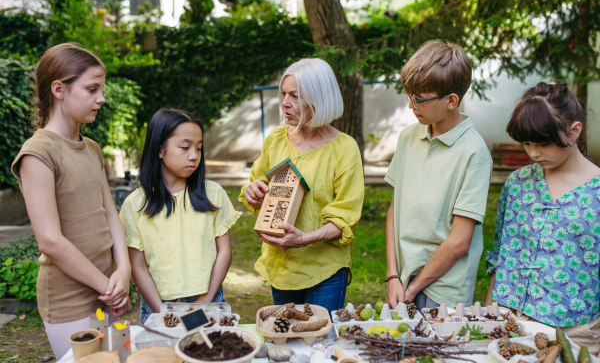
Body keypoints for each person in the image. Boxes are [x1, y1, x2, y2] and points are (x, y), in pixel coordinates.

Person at [11, 44, 130, 359]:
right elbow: (50, 241)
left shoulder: (91, 148)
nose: (101, 98)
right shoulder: (38, 152)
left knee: (120, 358)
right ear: (59, 89)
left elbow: (110, 215)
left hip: (110, 289)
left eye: (100, 89)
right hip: (69, 300)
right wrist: (109, 285)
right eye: (92, 89)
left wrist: (124, 270)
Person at [239, 58, 364, 312]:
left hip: (325, 270)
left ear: (319, 98)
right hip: (282, 266)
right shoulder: (275, 139)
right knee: (287, 339)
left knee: (321, 344)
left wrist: (305, 239)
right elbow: (259, 182)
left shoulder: (344, 148)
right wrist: (253, 191)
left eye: (294, 96)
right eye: (284, 94)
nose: (285, 103)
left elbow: (345, 217)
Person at [486, 81, 600, 355]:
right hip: (508, 321)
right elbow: (501, 254)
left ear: (574, 132)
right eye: (526, 143)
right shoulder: (517, 183)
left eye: (543, 143)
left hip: (575, 332)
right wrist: (490, 316)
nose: (533, 152)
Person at [385, 40, 493, 311]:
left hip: (445, 289)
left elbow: (459, 241)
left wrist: (412, 288)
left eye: (419, 99)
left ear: (451, 100)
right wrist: (392, 276)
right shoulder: (408, 137)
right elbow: (393, 211)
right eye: (409, 97)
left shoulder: (475, 153)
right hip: (401, 280)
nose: (411, 106)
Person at [120, 109, 240, 324]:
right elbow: (137, 266)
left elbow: (224, 252)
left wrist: (206, 300)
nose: (193, 155)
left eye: (199, 148)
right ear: (159, 150)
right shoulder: (135, 204)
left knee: (207, 355)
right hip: (159, 305)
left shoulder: (214, 194)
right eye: (185, 147)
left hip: (209, 300)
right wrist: (163, 311)